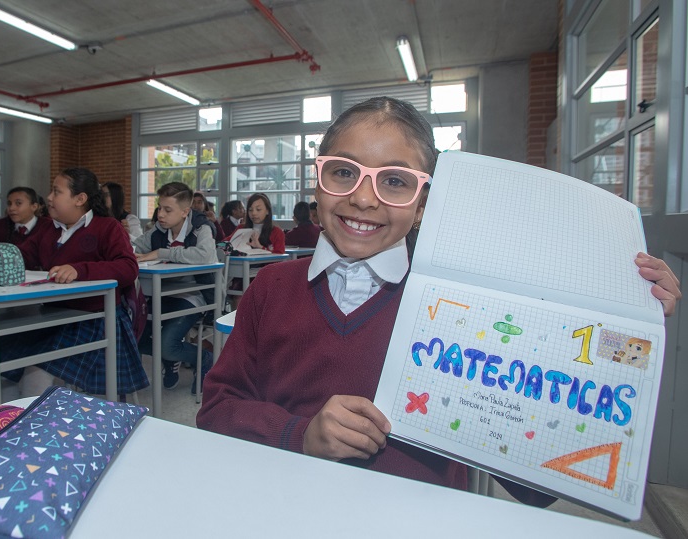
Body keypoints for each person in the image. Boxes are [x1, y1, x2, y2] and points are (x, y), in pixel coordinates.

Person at [196, 97, 682, 503]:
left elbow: (535, 490)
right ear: (317, 182)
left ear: (425, 204)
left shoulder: (467, 311)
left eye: (395, 181)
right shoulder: (272, 289)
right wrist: (297, 435)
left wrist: (621, 333)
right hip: (286, 504)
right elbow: (217, 409)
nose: (364, 199)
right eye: (343, 172)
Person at [0, 168, 148, 398]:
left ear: (80, 199)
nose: (49, 197)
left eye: (57, 192)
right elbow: (21, 257)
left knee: (35, 373)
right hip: (52, 317)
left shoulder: (107, 227)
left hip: (94, 320)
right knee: (5, 364)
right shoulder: (48, 228)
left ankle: (37, 428)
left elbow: (128, 268)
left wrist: (79, 270)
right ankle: (7, 424)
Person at [133, 182, 217, 394]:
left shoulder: (201, 228)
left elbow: (204, 256)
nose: (160, 214)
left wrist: (163, 253)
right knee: (133, 337)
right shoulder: (160, 229)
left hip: (194, 295)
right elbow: (136, 247)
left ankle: (203, 358)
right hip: (161, 295)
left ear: (185, 212)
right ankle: (170, 360)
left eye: (167, 210)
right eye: (160, 208)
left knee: (166, 345)